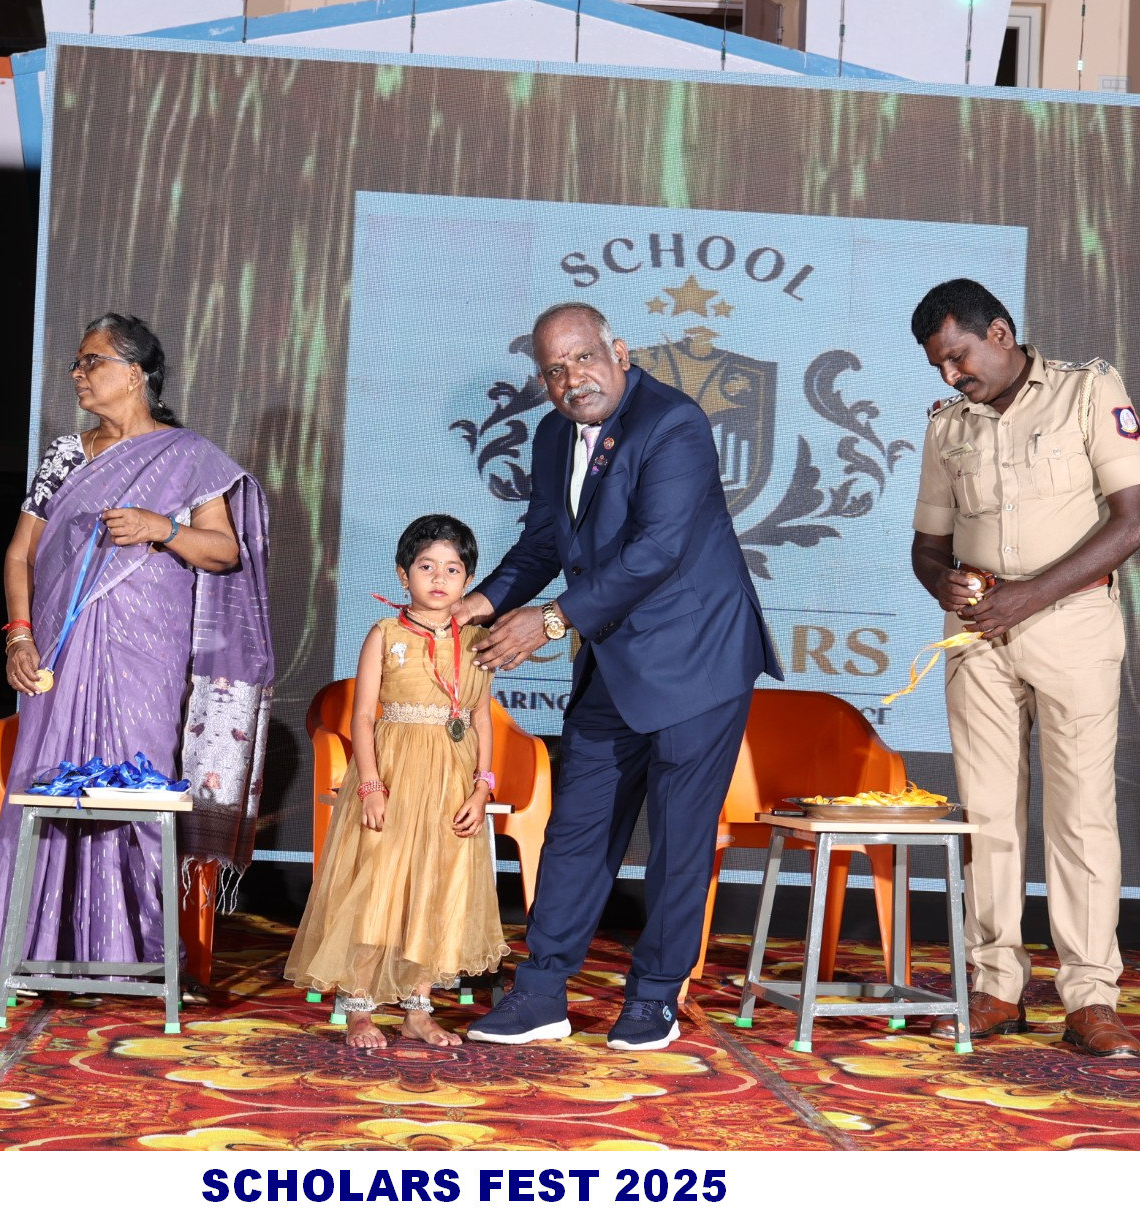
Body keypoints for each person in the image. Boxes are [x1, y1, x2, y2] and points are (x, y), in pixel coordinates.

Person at [456, 301, 783, 1052]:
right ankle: (541, 993)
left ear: (620, 353)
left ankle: (654, 996)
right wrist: (481, 603)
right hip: (613, 659)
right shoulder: (552, 435)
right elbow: (544, 542)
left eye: (583, 358)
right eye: (554, 370)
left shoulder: (674, 424)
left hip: (697, 659)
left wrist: (549, 620)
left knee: (678, 836)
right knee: (578, 826)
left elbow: (657, 550)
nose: (572, 379)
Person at [0, 314, 274, 972]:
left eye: (92, 361)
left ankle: (132, 952)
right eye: (77, 363)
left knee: (135, 787)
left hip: (146, 655)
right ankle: (38, 950)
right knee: (51, 786)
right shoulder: (65, 455)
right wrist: (18, 636)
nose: (77, 373)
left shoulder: (187, 456)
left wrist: (163, 527)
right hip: (59, 650)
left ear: (135, 374)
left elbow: (223, 551)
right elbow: (19, 554)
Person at [908, 278, 1140, 1058]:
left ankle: (1090, 996)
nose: (951, 375)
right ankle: (995, 988)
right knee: (986, 816)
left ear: (1001, 333)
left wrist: (1031, 595)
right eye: (939, 366)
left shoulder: (1089, 392)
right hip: (976, 635)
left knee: (1082, 814)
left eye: (958, 356)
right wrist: (942, 583)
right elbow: (927, 546)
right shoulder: (948, 426)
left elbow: (1135, 520)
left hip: (1072, 624)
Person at [285, 515, 508, 1047]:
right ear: (403, 575)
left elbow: (481, 719)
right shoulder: (386, 634)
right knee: (378, 886)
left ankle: (418, 1009)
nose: (439, 577)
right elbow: (363, 716)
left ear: (468, 579)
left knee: (437, 887)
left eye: (452, 568)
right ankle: (360, 1008)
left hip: (452, 783)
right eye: (426, 566)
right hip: (393, 776)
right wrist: (370, 785)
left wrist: (482, 788)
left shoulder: (478, 641)